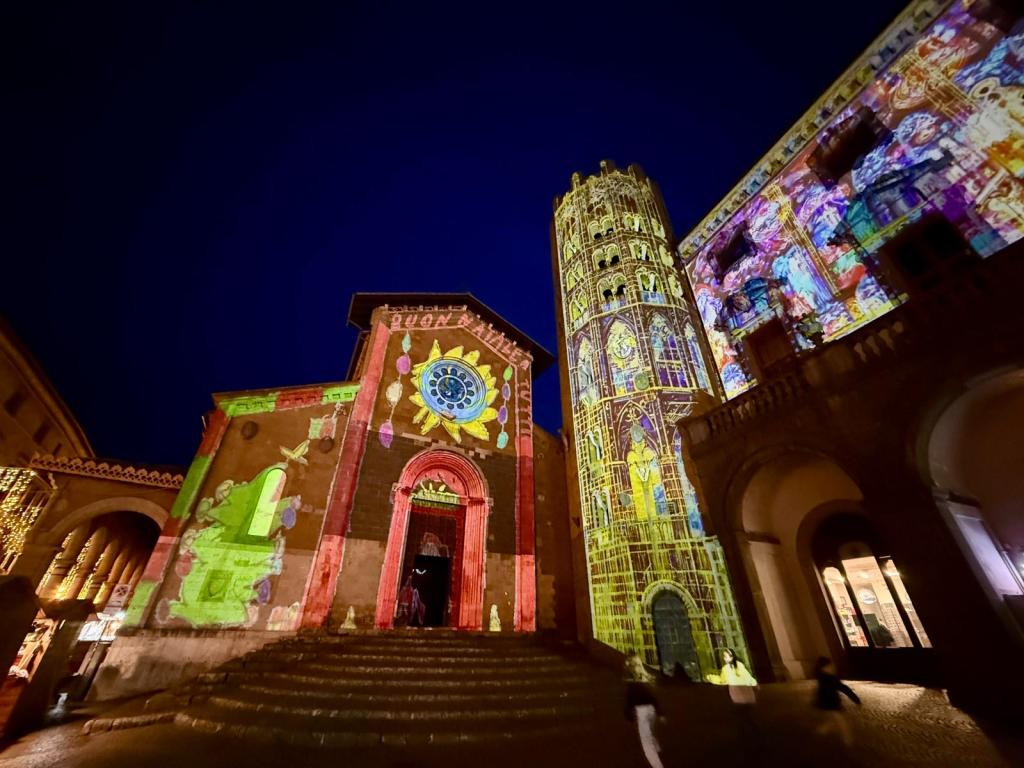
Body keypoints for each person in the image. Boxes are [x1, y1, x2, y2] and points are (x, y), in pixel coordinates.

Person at [624, 654, 665, 768]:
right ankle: (657, 747)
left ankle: (657, 765)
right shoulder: (646, 677)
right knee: (650, 730)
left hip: (641, 711)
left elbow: (629, 699)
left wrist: (628, 715)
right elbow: (653, 697)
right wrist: (660, 713)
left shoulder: (631, 679)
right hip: (651, 710)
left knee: (646, 742)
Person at [813, 656, 860, 748]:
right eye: (831, 666)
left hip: (827, 703)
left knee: (833, 719)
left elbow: (819, 691)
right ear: (825, 667)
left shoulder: (821, 677)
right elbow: (844, 688)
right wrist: (855, 699)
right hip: (831, 703)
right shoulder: (830, 678)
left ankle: (821, 731)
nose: (833, 668)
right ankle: (848, 739)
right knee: (841, 721)